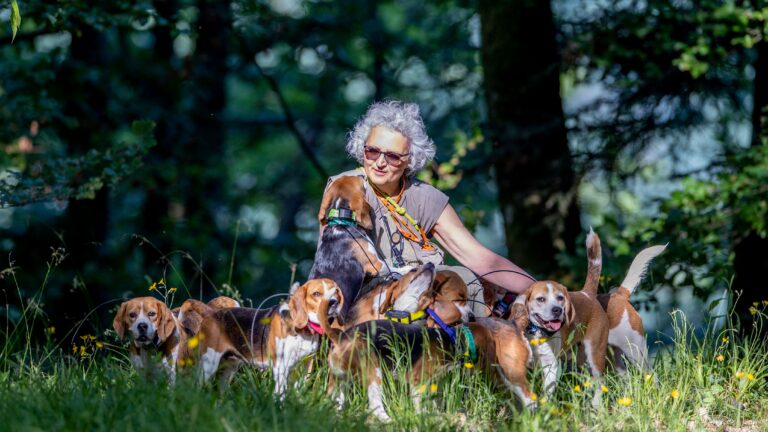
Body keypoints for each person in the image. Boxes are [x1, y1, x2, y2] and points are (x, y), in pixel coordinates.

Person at [320, 100, 535, 316]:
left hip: (427, 296)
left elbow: (481, 259)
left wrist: (541, 291)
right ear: (362, 149)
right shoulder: (344, 188)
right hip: (367, 305)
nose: (380, 162)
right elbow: (329, 261)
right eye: (373, 151)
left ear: (409, 160)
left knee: (466, 279)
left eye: (393, 156)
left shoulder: (425, 197)